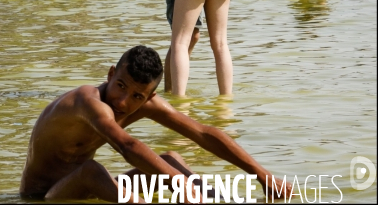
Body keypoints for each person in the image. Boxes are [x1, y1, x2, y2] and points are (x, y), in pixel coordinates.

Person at [19, 45, 291, 203]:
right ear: (111, 74)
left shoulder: (145, 102)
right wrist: (179, 185)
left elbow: (203, 133)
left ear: (150, 96)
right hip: (44, 196)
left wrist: (261, 173)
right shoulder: (87, 102)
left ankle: (217, 200)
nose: (124, 102)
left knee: (171, 159)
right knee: (92, 170)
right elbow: (127, 145)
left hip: (84, 190)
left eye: (137, 96)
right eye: (121, 86)